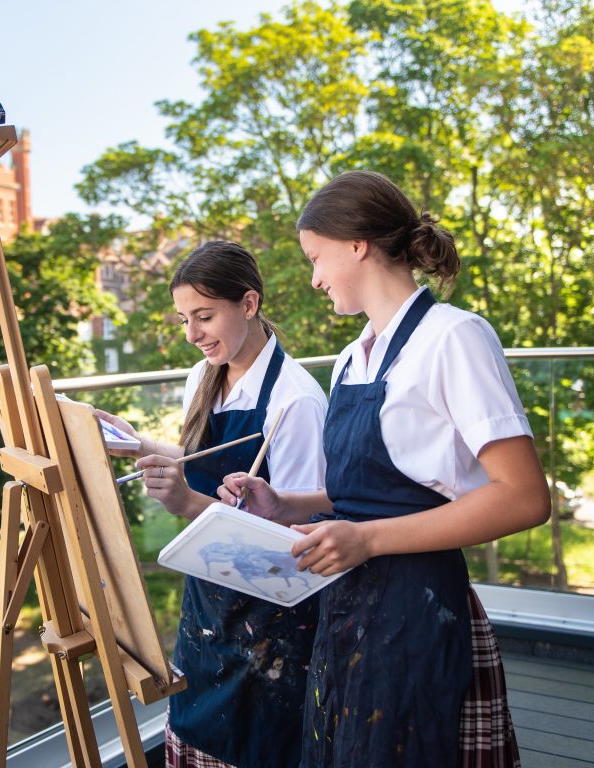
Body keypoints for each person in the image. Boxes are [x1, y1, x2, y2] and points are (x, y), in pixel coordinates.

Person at [218, 171, 550, 767]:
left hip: (419, 610)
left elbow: (523, 497)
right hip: (349, 609)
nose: (315, 277)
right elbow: (365, 492)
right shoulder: (352, 358)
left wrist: (367, 539)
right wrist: (285, 503)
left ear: (356, 244)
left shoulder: (456, 337)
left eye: (316, 258)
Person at [97, 240, 328, 768]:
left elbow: (295, 544)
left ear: (248, 304)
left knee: (259, 747)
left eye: (204, 316)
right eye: (183, 319)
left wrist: (188, 504)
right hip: (208, 602)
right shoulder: (201, 378)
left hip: (271, 625)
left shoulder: (296, 401)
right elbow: (202, 458)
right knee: (197, 736)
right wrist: (141, 444)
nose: (192, 335)